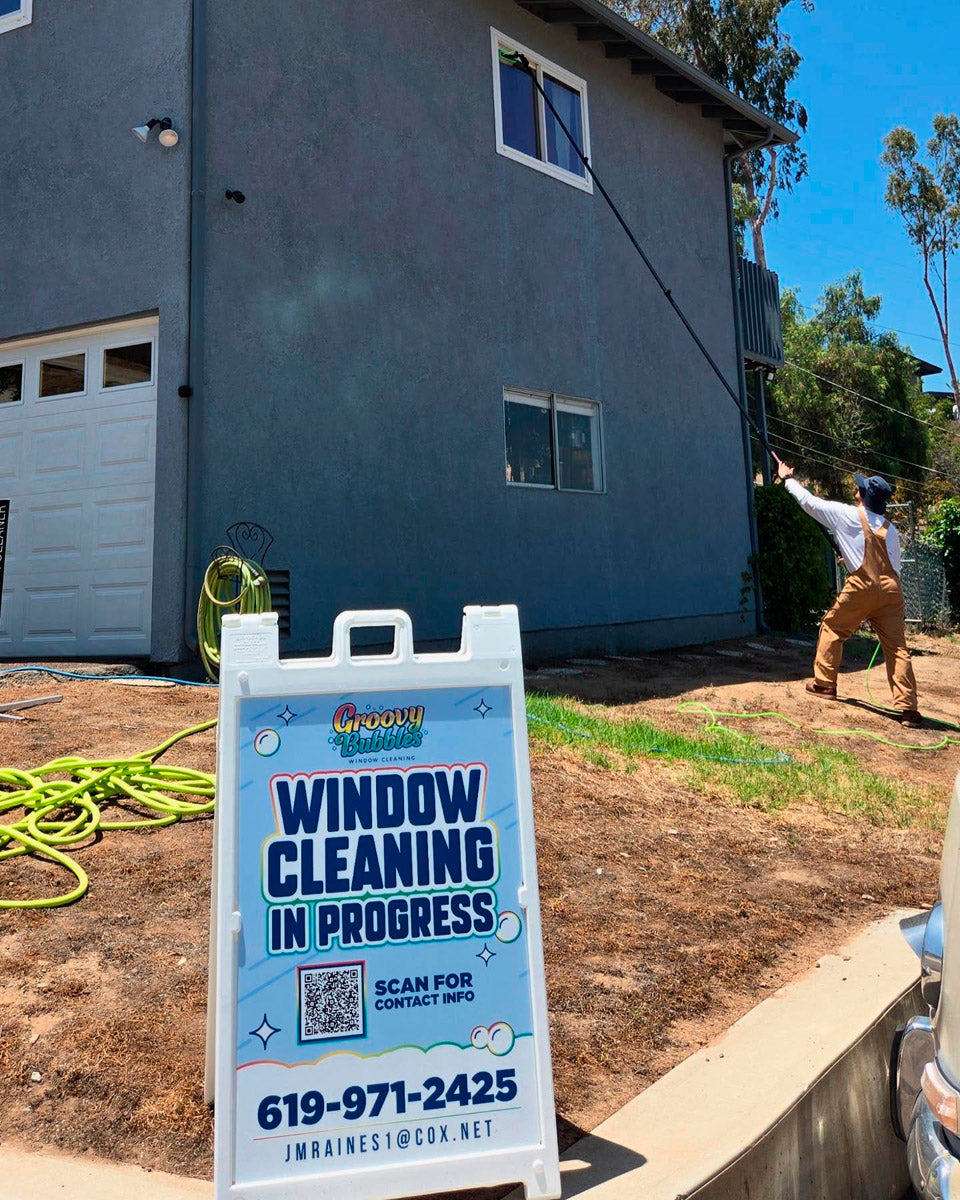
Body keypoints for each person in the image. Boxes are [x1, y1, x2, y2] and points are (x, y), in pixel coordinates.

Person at [777, 461, 922, 729]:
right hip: (891, 591)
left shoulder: (847, 515)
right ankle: (908, 710)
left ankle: (824, 684)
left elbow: (809, 503)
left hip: (862, 587)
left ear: (864, 497)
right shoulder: (891, 530)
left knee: (832, 627)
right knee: (898, 648)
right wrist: (852, 557)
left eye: (861, 488)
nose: (857, 489)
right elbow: (889, 565)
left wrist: (787, 479)